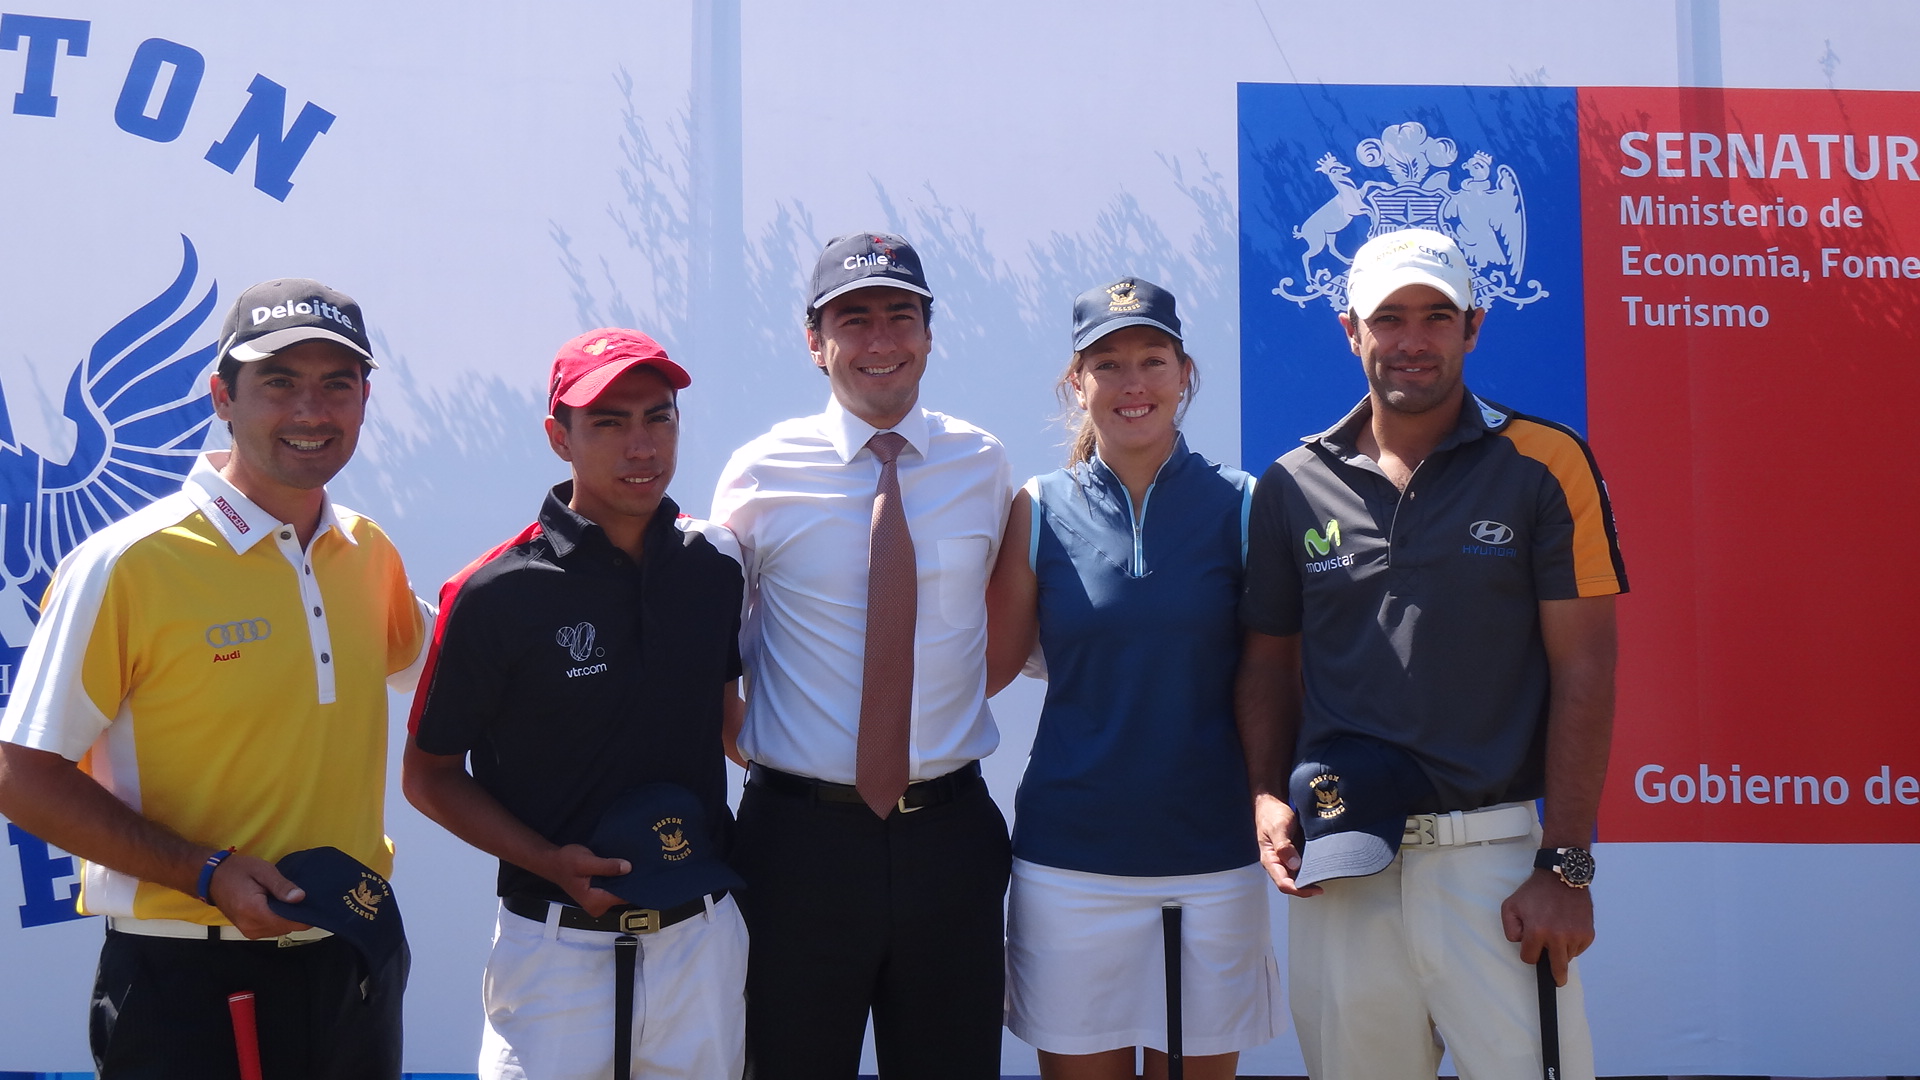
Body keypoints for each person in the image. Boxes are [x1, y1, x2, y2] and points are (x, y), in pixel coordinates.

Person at [0, 278, 429, 1079]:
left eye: (337, 384)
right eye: (279, 382)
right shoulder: (127, 564)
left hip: (354, 958)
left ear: (365, 401)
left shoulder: (367, 550)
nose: (312, 411)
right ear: (221, 398)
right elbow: (20, 776)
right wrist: (206, 871)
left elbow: (442, 670)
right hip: (189, 979)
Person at [1236, 228, 1626, 1080]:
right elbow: (1268, 664)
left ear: (1473, 326)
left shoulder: (1545, 463)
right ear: (1350, 329)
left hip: (1496, 867)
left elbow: (1587, 668)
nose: (1412, 340)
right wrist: (1267, 793)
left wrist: (1565, 863)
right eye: (1390, 318)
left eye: (1436, 317)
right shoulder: (1291, 483)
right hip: (1343, 863)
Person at [403, 328, 748, 1080]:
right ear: (559, 437)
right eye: (609, 423)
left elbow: (732, 723)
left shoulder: (715, 566)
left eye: (659, 418)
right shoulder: (494, 592)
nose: (641, 447)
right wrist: (549, 862)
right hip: (555, 948)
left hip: (700, 942)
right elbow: (427, 776)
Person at [709, 232, 1015, 1079]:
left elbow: (992, 625)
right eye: (854, 321)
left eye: (899, 317)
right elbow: (707, 642)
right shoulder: (761, 471)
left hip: (948, 839)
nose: (880, 341)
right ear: (815, 342)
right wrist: (742, 730)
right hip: (799, 845)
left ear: (928, 331)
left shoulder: (982, 462)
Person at [985, 277, 1281, 1080]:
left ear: (1184, 373)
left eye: (1153, 359)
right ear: (1075, 383)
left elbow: (1273, 678)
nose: (1133, 383)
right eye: (1108, 364)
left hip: (1212, 862)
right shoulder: (1035, 508)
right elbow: (982, 671)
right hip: (1068, 865)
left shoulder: (1248, 504)